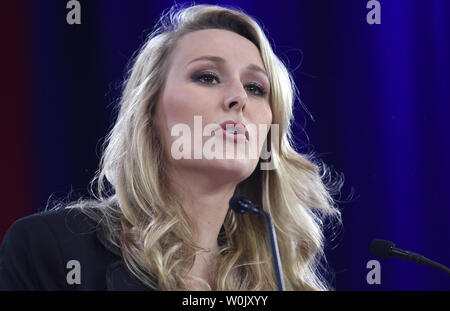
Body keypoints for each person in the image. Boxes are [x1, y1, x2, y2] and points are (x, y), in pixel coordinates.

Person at [0, 4, 342, 291]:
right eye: (207, 77)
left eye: (255, 87)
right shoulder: (49, 251)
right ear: (149, 113)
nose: (239, 98)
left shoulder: (284, 280)